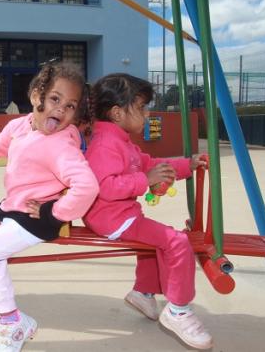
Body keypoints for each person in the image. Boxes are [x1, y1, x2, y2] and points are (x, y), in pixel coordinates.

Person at [0, 61, 99, 352]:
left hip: (37, 217)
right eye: (55, 99)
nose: (61, 110)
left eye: (70, 106)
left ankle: (12, 322)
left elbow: (87, 187)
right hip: (14, 206)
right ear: (36, 96)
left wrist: (55, 212)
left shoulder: (60, 146)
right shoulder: (19, 125)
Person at [84, 73, 212, 350]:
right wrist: (147, 180)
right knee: (176, 242)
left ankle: (143, 292)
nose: (147, 113)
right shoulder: (105, 144)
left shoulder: (122, 141)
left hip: (120, 214)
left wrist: (186, 165)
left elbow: (150, 163)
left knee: (153, 242)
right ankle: (178, 310)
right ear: (117, 113)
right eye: (141, 107)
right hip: (110, 217)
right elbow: (104, 187)